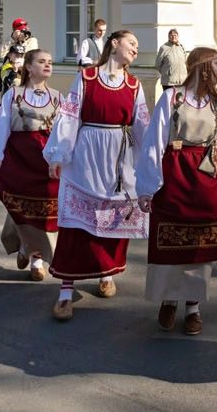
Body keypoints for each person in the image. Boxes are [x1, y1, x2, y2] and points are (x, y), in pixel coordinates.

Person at [136, 47, 217, 335]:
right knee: (171, 237)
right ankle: (168, 299)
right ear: (203, 67)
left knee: (201, 244)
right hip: (175, 175)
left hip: (207, 177)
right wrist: (146, 187)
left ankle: (193, 305)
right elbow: (154, 144)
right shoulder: (172, 98)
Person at [45, 29, 149, 319]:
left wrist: (153, 161)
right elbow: (69, 115)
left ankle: (107, 273)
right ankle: (66, 289)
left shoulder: (133, 84)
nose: (136, 49)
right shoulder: (87, 77)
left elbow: (142, 125)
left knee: (114, 217)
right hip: (87, 154)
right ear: (114, 43)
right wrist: (59, 154)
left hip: (118, 155)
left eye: (138, 46)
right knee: (76, 221)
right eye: (132, 43)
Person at [0, 49, 61, 279]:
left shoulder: (58, 96)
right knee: (19, 202)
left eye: (50, 61)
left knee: (46, 206)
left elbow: (63, 131)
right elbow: (3, 125)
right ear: (28, 66)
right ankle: (25, 245)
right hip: (19, 155)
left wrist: (62, 157)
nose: (47, 65)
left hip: (45, 158)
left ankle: (36, 258)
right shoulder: (13, 94)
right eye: (41, 61)